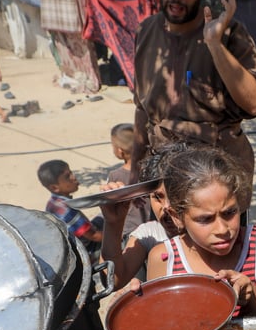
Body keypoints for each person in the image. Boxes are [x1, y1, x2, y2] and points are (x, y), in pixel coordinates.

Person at [129, 0, 256, 196]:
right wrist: (135, 174)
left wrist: (214, 45)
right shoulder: (145, 33)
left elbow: (254, 104)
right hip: (163, 184)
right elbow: (141, 111)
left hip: (219, 188)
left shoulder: (229, 33)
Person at [142, 146, 256, 321]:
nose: (222, 229)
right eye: (205, 219)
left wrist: (251, 295)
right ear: (177, 217)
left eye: (229, 213)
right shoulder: (164, 259)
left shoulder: (255, 243)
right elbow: (160, 328)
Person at [98, 144, 182, 290]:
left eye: (176, 196)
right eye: (157, 197)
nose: (166, 207)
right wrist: (113, 223)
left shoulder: (219, 229)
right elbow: (111, 281)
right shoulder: (150, 234)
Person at [38, 159, 104, 257]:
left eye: (71, 173)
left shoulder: (52, 203)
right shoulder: (67, 210)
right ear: (55, 187)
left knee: (102, 217)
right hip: (87, 251)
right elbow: (94, 236)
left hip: (72, 246)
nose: (74, 177)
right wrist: (119, 235)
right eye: (67, 176)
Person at [105, 122, 154, 234]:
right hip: (155, 226)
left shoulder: (115, 176)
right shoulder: (153, 169)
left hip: (131, 231)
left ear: (120, 151)